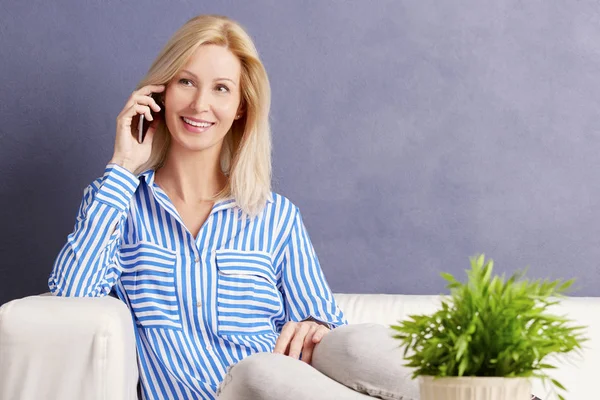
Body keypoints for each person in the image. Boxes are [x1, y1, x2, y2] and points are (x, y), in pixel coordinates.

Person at [48, 14, 419, 400]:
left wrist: (317, 326)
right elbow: (73, 299)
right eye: (186, 82)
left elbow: (322, 325)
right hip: (243, 386)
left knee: (356, 343)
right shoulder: (118, 202)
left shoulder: (275, 216)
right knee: (258, 372)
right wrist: (124, 165)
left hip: (291, 389)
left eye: (221, 89)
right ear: (161, 93)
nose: (200, 104)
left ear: (241, 107)